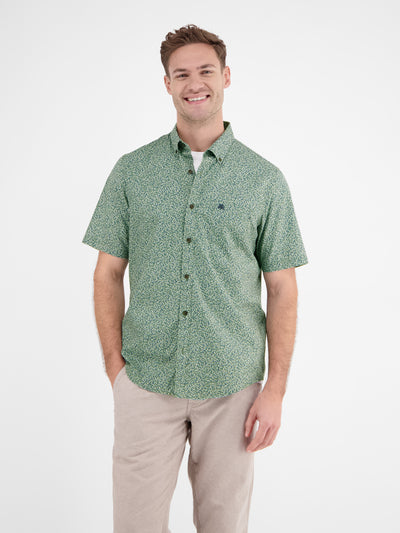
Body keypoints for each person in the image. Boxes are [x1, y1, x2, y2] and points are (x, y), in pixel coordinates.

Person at [82, 23, 308, 533]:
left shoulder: (264, 180)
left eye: (205, 70)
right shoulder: (131, 171)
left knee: (224, 525)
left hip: (232, 387)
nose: (194, 83)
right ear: (167, 84)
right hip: (146, 380)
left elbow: (282, 288)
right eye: (181, 74)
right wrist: (116, 369)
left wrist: (275, 389)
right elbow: (107, 274)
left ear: (226, 76)